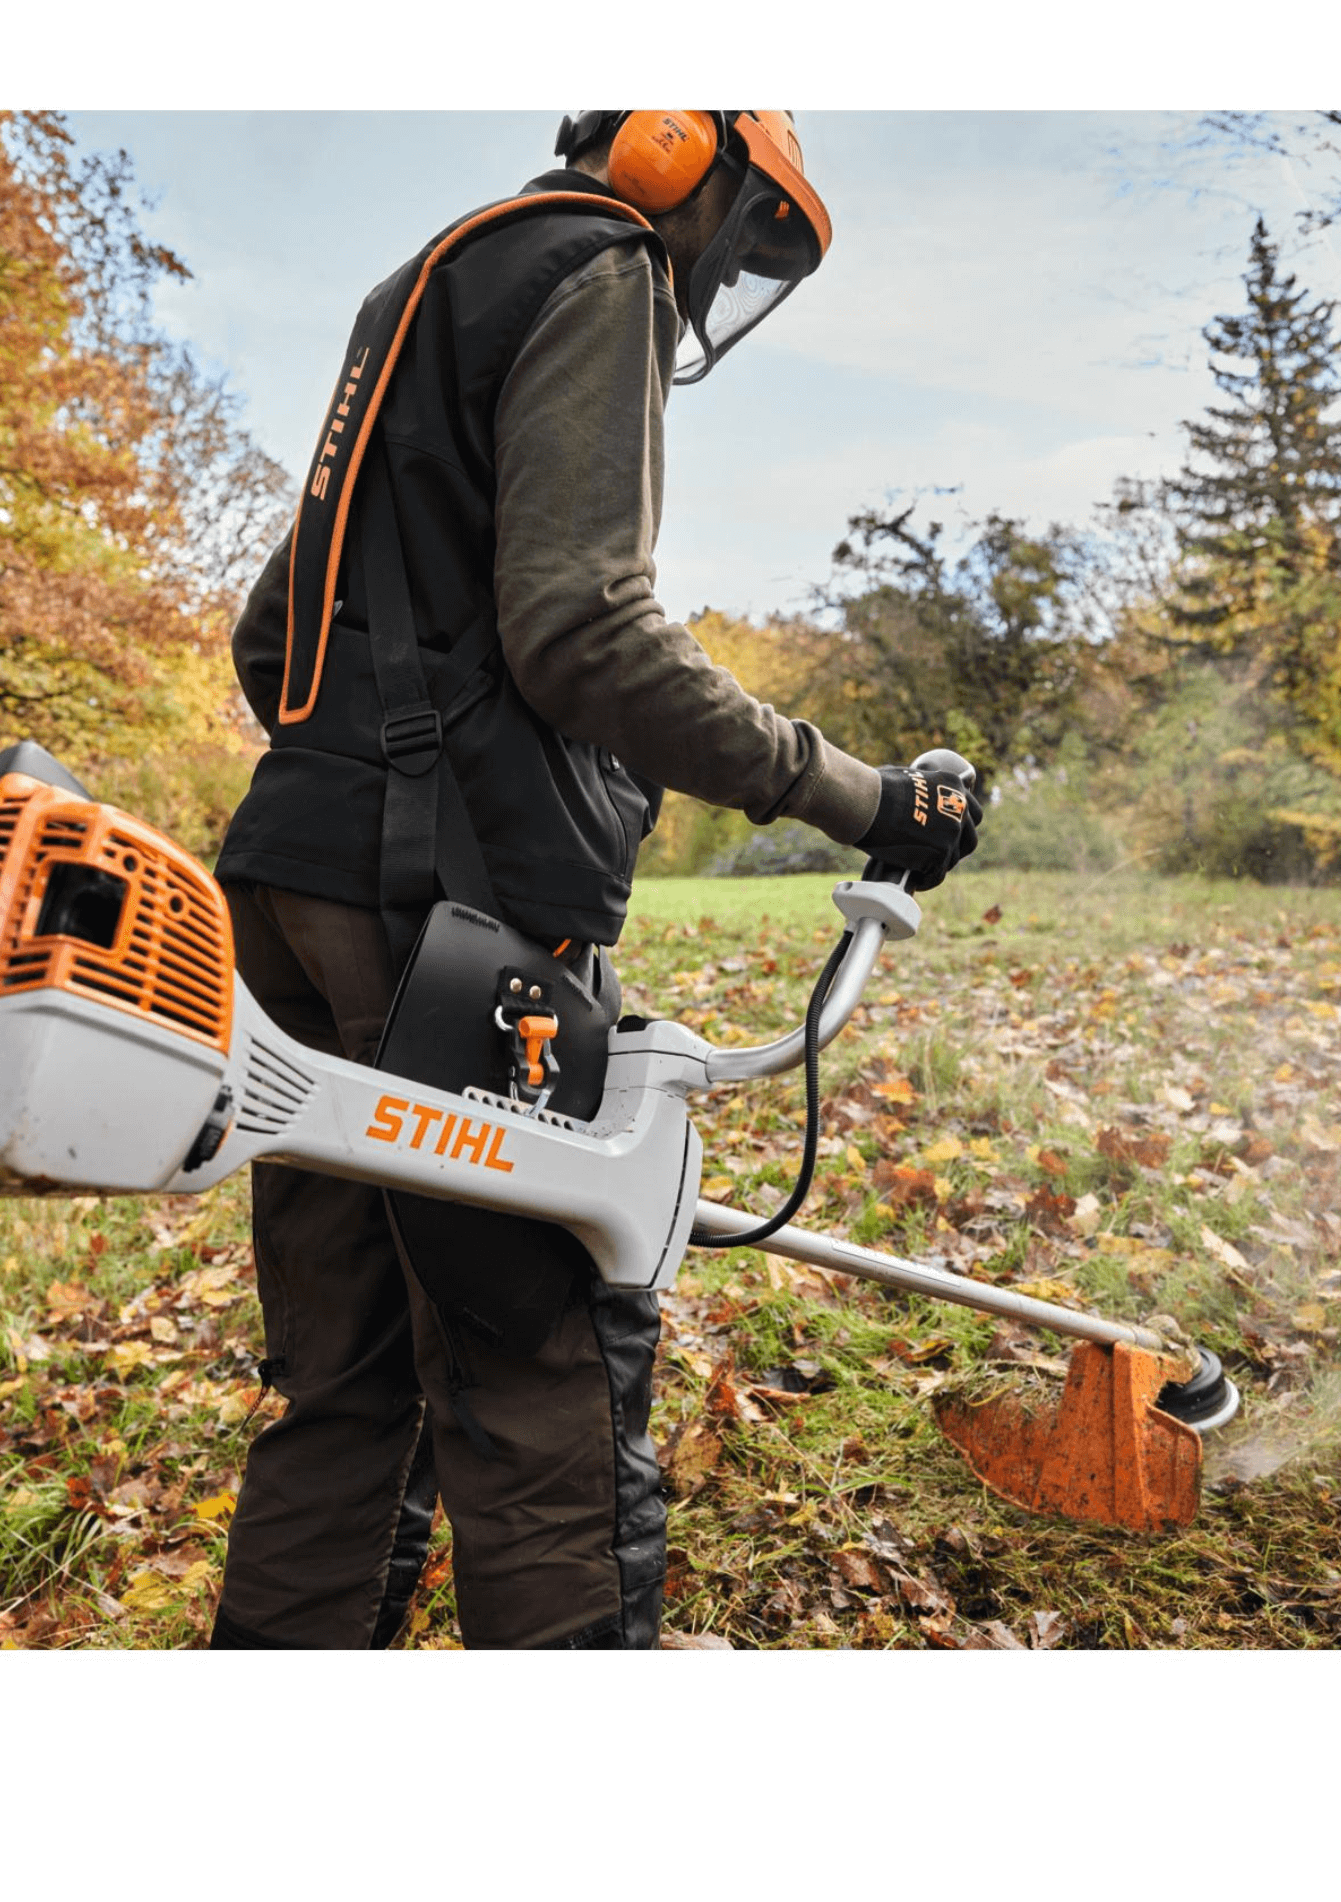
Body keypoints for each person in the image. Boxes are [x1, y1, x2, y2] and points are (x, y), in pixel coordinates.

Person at [207, 111, 980, 1650]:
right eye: (745, 228)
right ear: (679, 158)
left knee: (345, 1384)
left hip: (295, 885)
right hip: (443, 932)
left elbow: (266, 635)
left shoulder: (428, 285)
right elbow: (583, 627)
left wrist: (379, 754)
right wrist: (858, 792)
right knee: (533, 1375)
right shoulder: (605, 266)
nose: (724, 272)